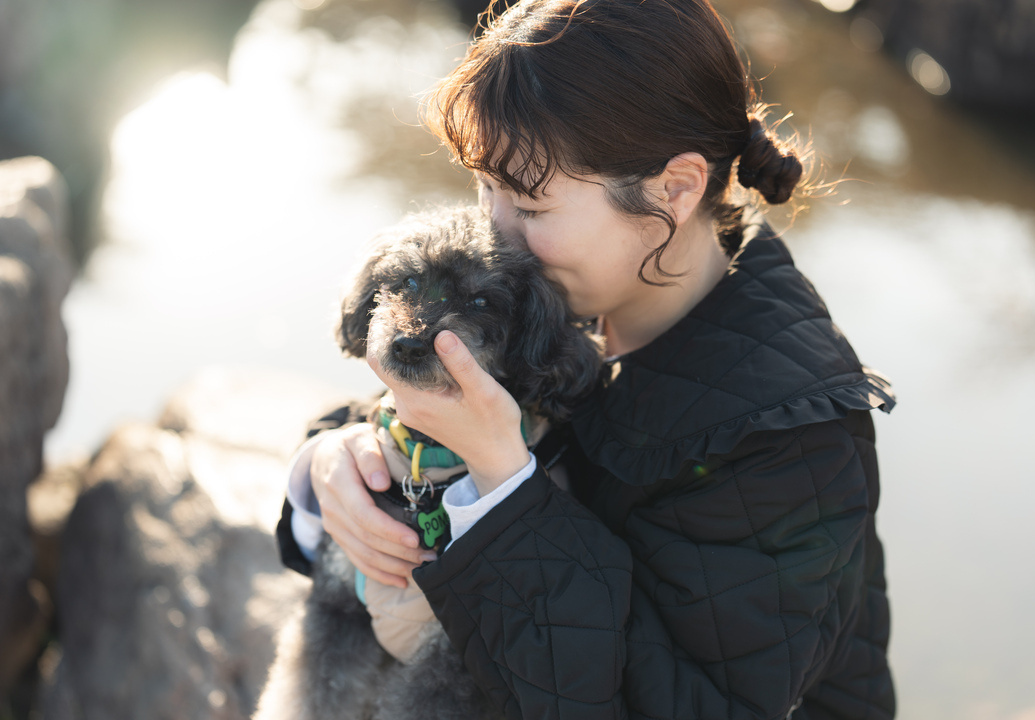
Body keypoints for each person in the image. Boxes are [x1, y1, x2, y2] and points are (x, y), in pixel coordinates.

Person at [277, 1, 897, 718]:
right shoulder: (571, 291)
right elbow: (391, 424)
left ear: (675, 189)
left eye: (530, 207)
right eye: (486, 188)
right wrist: (333, 469)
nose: (494, 232)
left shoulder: (790, 443)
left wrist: (503, 481)